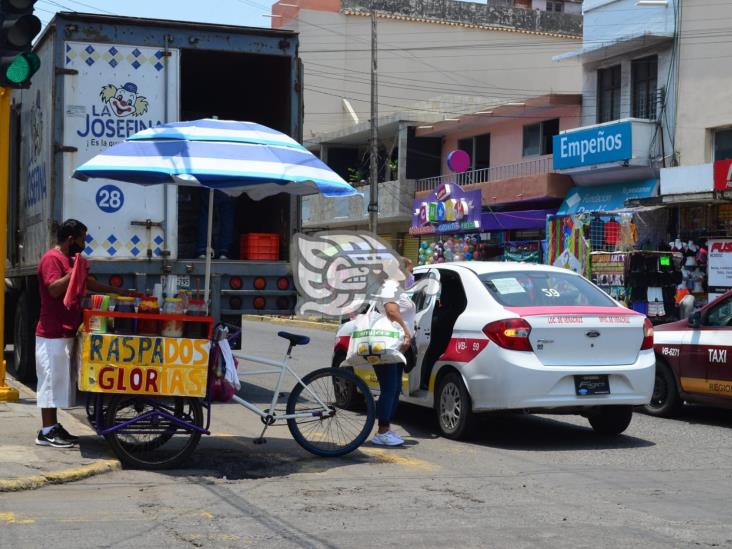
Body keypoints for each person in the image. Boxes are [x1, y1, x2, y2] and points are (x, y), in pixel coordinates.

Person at [35, 219, 135, 448]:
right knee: (50, 382)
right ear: (71, 238)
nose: (84, 243)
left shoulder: (70, 260)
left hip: (66, 331)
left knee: (60, 382)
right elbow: (52, 289)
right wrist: (73, 273)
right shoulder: (52, 258)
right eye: (82, 238)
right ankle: (46, 432)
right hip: (52, 332)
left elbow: (89, 283)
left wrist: (119, 291)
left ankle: (54, 427)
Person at [371, 258, 416, 447]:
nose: (411, 275)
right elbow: (391, 311)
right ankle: (382, 431)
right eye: (409, 270)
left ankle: (386, 428)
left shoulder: (396, 288)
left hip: (395, 346)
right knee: (389, 388)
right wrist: (406, 331)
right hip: (387, 345)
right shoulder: (390, 286)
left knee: (395, 388)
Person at [196, 189, 236, 259]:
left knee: (205, 216)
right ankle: (224, 251)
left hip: (209, 183)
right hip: (228, 186)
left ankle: (202, 250)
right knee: (226, 218)